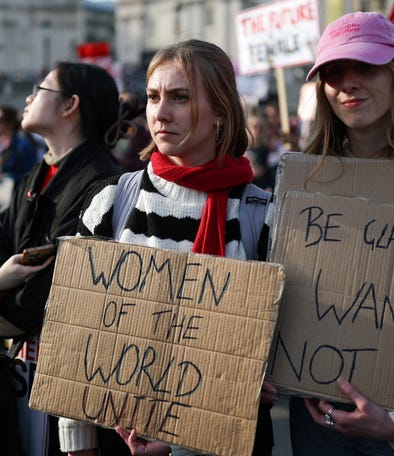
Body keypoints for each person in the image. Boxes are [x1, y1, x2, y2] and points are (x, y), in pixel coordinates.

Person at [58, 39, 277, 456]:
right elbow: (74, 337)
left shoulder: (262, 217)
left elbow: (276, 354)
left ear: (221, 112)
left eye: (180, 98)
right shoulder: (112, 203)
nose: (160, 113)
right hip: (115, 441)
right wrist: (79, 444)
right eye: (154, 97)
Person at [289, 11, 394, 456]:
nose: (348, 83)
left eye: (366, 67)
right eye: (334, 72)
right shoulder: (299, 183)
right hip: (315, 421)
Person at [0, 61, 139, 456]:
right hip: (23, 365)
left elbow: (50, 294)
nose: (27, 97)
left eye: (40, 88)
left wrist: (5, 283)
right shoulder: (35, 174)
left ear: (69, 105)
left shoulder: (102, 181)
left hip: (67, 378)